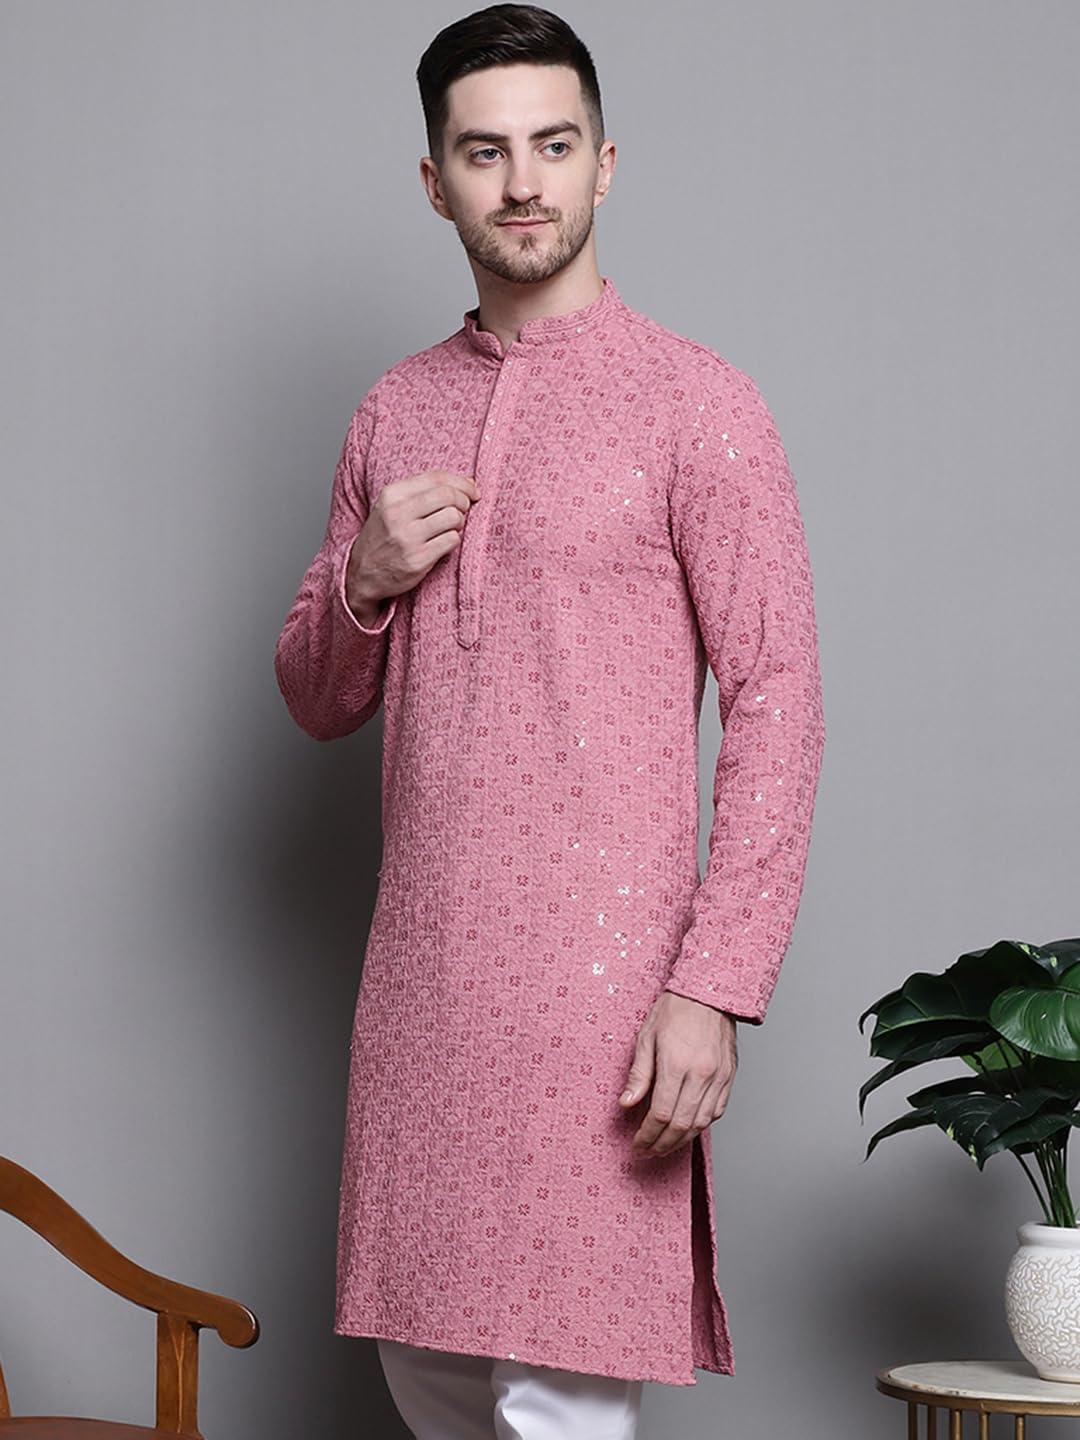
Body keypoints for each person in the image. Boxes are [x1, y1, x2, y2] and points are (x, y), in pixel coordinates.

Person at [273, 5, 826, 1436]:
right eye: (485, 152)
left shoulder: (700, 404)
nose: (523, 182)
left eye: (553, 145)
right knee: (431, 1387)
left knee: (559, 1408)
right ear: (435, 181)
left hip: (606, 1004)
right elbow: (318, 700)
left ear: (605, 163)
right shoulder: (393, 412)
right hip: (425, 1000)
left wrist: (716, 983)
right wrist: (364, 580)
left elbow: (779, 700)